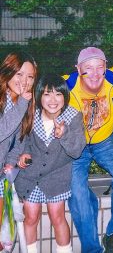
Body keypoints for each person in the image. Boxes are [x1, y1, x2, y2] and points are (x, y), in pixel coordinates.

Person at [63, 47, 113, 253]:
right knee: (77, 194)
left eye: (100, 67)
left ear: (106, 67)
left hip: (106, 140)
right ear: (78, 69)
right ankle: (91, 249)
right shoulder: (65, 86)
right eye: (88, 68)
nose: (95, 74)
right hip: (76, 145)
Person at [15, 73, 86, 253]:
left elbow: (77, 150)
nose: (53, 100)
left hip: (57, 177)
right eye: (47, 94)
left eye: (58, 94)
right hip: (29, 177)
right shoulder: (31, 113)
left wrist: (65, 134)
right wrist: (24, 154)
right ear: (39, 96)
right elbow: (24, 140)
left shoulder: (73, 116)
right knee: (30, 217)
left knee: (57, 217)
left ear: (65, 96)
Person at [0, 52, 36, 250]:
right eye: (20, 74)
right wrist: (23, 102)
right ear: (9, 71)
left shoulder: (22, 103)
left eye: (30, 77)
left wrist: (12, 160)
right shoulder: (16, 101)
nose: (24, 81)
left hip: (1, 177)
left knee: (4, 237)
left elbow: (21, 138)